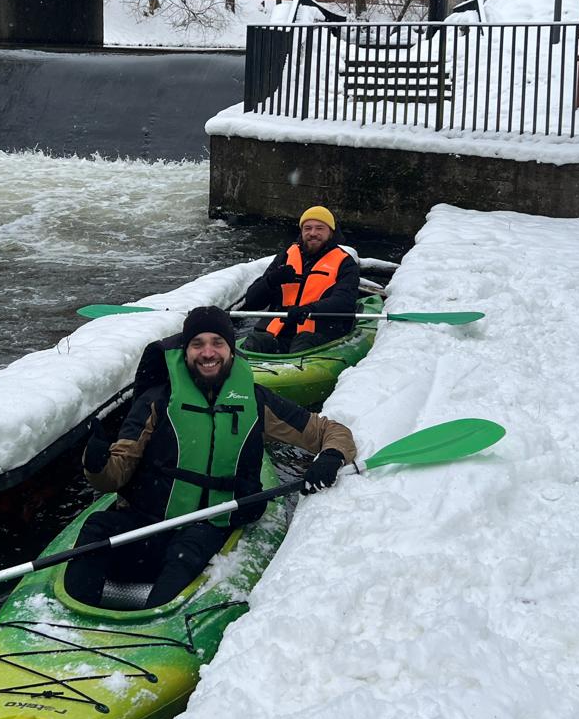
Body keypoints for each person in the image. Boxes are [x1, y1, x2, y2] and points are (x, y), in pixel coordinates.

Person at [65, 305, 356, 608]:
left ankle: (155, 616)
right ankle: (72, 613)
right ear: (185, 350)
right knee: (97, 528)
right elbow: (115, 476)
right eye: (197, 344)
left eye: (217, 343)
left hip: (207, 524)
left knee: (184, 559)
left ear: (231, 350)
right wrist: (95, 463)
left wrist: (332, 456)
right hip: (145, 521)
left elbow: (328, 431)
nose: (208, 353)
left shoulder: (255, 401)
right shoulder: (157, 400)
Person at [238, 205, 360, 354]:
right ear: (302, 232)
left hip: (319, 332)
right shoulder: (286, 257)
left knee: (303, 341)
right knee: (256, 341)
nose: (313, 233)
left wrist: (310, 309)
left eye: (319, 228)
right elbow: (252, 301)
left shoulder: (345, 263)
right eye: (307, 228)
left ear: (331, 232)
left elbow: (345, 301)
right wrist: (271, 281)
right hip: (279, 331)